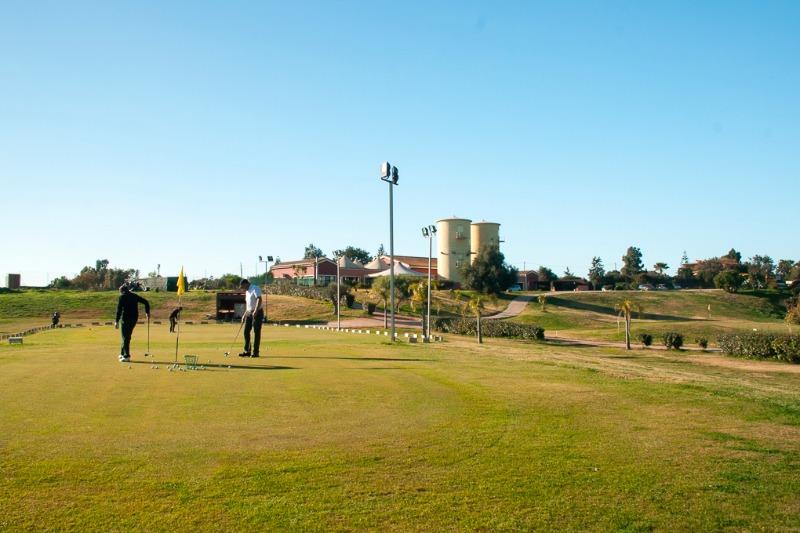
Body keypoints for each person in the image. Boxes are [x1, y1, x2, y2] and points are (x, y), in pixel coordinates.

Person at [114, 284, 150, 362]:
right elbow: (146, 302)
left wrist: (116, 321)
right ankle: (122, 353)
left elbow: (119, 310)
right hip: (134, 319)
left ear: (122, 291)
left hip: (125, 319)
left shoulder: (122, 297)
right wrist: (147, 312)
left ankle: (127, 356)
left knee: (125, 337)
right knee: (126, 336)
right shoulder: (134, 296)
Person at [239, 279, 264, 357]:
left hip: (258, 313)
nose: (242, 288)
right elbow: (248, 305)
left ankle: (256, 352)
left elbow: (259, 299)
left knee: (256, 332)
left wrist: (256, 310)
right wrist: (244, 315)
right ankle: (247, 351)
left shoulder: (255, 288)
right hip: (249, 313)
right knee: (246, 332)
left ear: (246, 284)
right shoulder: (247, 292)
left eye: (243, 286)